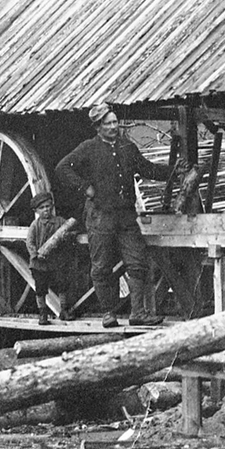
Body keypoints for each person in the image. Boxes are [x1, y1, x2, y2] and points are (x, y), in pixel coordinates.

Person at [56, 103, 172, 327]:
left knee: (137, 262)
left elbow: (147, 169)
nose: (113, 127)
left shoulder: (128, 147)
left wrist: (173, 171)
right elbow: (63, 168)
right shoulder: (88, 148)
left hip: (126, 216)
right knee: (101, 267)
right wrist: (85, 188)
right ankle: (108, 313)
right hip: (100, 217)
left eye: (115, 122)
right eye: (108, 123)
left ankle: (138, 313)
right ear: (98, 127)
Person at [25, 191, 78, 325]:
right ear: (36, 211)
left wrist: (68, 236)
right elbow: (29, 242)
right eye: (42, 208)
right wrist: (35, 254)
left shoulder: (60, 222)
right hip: (39, 263)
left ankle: (64, 310)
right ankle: (43, 313)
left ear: (52, 207)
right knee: (41, 288)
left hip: (57, 261)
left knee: (62, 285)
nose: (46, 210)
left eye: (48, 206)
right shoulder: (35, 225)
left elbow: (73, 231)